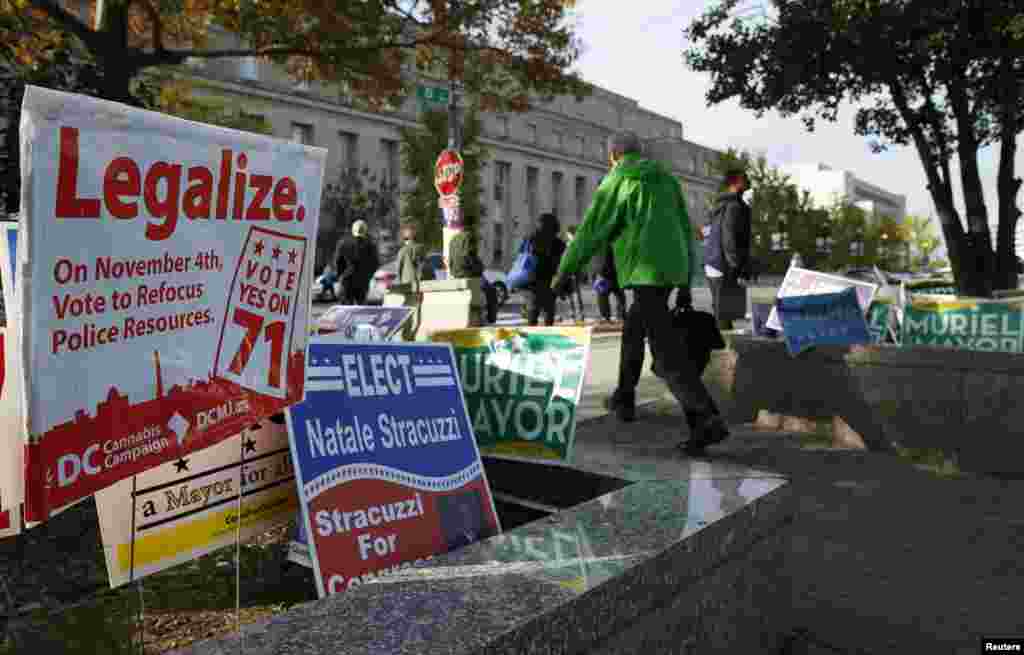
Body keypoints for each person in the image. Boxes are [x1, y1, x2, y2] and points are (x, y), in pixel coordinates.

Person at [553, 130, 728, 454]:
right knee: (634, 326)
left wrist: (565, 270)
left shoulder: (618, 180)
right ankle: (625, 395)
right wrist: (686, 282)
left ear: (613, 155)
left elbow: (591, 230)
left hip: (644, 271)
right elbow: (685, 230)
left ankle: (706, 418)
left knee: (666, 353)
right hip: (670, 270)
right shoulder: (668, 180)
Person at [704, 169, 754, 331]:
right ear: (736, 182)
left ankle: (724, 349)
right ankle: (723, 352)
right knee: (724, 316)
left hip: (716, 261)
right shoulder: (733, 206)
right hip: (722, 263)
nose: (748, 180)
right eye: (745, 178)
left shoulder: (726, 203)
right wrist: (736, 267)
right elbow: (729, 238)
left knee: (725, 314)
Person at [523, 212, 565, 327]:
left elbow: (521, 257)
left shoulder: (531, 239)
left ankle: (530, 337)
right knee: (549, 312)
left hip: (532, 280)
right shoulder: (559, 243)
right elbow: (563, 262)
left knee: (533, 312)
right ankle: (547, 336)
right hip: (550, 281)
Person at [448, 229, 498, 324]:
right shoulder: (470, 237)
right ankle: (491, 319)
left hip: (456, 274)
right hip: (469, 274)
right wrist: (480, 266)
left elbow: (451, 261)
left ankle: (486, 316)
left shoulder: (453, 239)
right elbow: (470, 259)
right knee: (491, 291)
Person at [333, 219, 380, 305]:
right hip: (362, 281)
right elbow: (375, 264)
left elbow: (338, 262)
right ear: (365, 230)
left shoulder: (343, 243)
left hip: (346, 280)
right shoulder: (370, 245)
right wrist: (367, 277)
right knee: (361, 309)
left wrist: (340, 276)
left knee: (345, 310)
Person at [592, 244, 627, 322]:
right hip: (608, 272)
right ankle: (616, 316)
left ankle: (609, 317)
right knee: (615, 296)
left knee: (606, 296)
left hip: (609, 272)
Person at [562, 226, 587, 322]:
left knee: (575, 293)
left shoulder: (576, 244)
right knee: (572, 293)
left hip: (574, 271)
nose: (569, 236)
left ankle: (579, 313)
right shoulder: (570, 244)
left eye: (569, 234)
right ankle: (575, 313)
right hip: (570, 271)